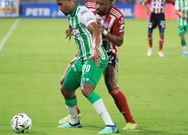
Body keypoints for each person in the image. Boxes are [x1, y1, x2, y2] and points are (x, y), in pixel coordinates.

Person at [59, 0, 137, 130]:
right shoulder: (87, 7)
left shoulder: (117, 16)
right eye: (97, 3)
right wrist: (71, 28)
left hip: (107, 51)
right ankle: (75, 117)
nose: (97, 7)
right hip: (86, 50)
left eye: (101, 4)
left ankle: (129, 121)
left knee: (111, 86)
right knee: (64, 83)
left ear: (110, 3)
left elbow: (120, 41)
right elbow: (78, 19)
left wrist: (104, 33)